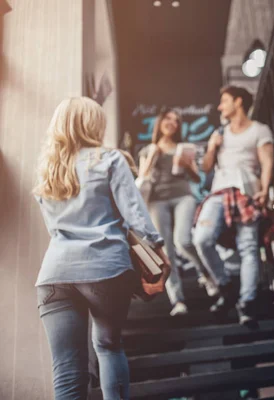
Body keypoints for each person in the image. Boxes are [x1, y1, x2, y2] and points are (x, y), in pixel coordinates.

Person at [34, 97, 170, 399]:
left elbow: (53, 228)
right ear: (93, 124)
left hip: (54, 275)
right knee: (108, 347)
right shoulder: (108, 159)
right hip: (104, 268)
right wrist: (159, 252)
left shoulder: (49, 169)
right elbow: (135, 214)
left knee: (67, 370)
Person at [193, 86, 274, 325]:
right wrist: (212, 147)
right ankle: (225, 285)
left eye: (224, 101)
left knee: (249, 248)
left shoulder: (260, 130)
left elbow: (267, 162)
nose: (220, 107)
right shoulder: (219, 132)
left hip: (247, 192)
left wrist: (265, 189)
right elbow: (205, 167)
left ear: (238, 102)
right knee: (202, 238)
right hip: (219, 192)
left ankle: (247, 302)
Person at [138, 109, 217, 316]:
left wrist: (186, 166)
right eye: (168, 118)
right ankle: (178, 301)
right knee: (167, 251)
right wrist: (152, 156)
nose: (172, 122)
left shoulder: (184, 148)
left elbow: (197, 179)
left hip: (183, 196)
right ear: (160, 122)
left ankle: (206, 273)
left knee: (183, 241)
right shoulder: (148, 150)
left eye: (176, 120)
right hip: (157, 200)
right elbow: (141, 178)